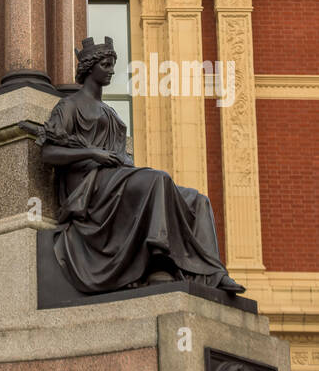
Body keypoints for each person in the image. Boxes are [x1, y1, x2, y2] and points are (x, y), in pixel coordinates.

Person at [35, 36, 245, 296]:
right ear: (90, 68)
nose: (112, 70)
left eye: (112, 64)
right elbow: (48, 152)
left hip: (117, 179)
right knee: (158, 179)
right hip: (90, 188)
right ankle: (158, 259)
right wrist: (92, 153)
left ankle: (214, 273)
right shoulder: (69, 106)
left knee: (197, 200)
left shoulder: (110, 112)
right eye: (106, 64)